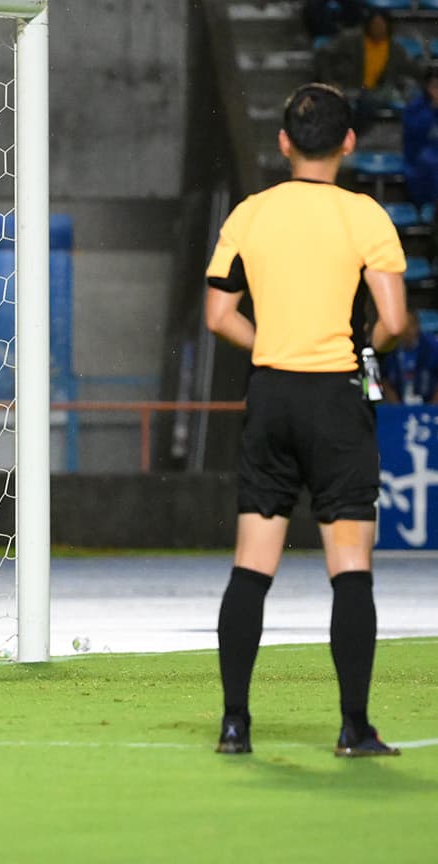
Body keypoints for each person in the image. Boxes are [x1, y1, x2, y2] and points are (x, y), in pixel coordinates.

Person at [204, 83, 408, 757]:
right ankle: (354, 726)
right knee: (349, 565)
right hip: (335, 399)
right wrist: (368, 346)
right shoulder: (364, 216)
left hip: (271, 396)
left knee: (251, 564)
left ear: (285, 142)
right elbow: (397, 319)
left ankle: (235, 723)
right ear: (349, 143)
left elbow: (218, 315)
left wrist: (268, 343)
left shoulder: (251, 214)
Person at [314, 9, 423, 134]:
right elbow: (323, 54)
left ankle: (350, 135)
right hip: (348, 87)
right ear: (368, 25)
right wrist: (329, 81)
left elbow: (414, 70)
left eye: (382, 25)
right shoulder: (350, 39)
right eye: (375, 25)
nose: (378, 28)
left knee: (372, 100)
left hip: (377, 92)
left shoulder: (396, 50)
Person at [381, 310, 438, 405]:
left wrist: (433, 407)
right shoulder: (390, 350)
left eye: (410, 324)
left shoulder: (432, 348)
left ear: (418, 326)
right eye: (404, 325)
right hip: (398, 405)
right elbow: (384, 379)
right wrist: (396, 406)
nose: (407, 330)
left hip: (430, 404)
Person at [402, 70, 438, 206]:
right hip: (419, 164)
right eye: (435, 86)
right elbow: (414, 140)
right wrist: (433, 110)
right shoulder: (415, 109)